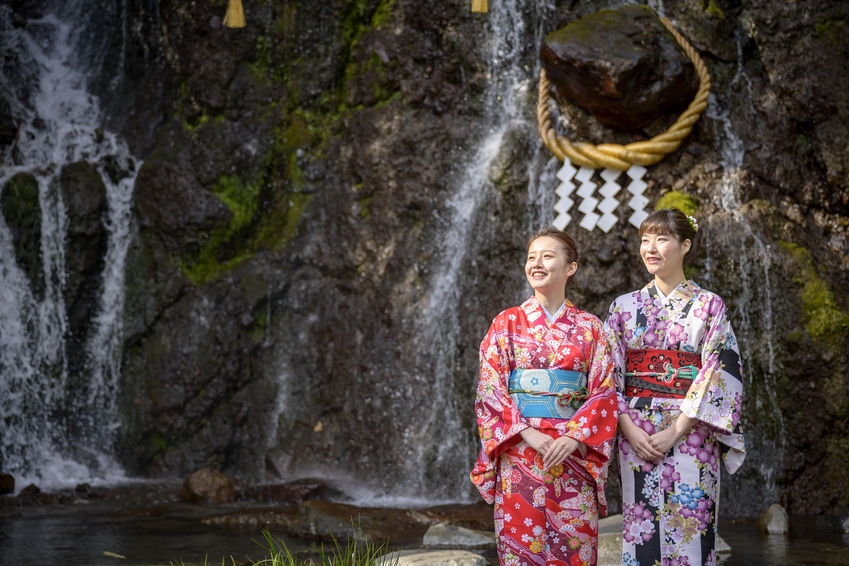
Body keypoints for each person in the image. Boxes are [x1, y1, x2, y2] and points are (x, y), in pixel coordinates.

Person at [604, 209, 746, 566]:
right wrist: (627, 427)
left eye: (661, 239)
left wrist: (676, 431)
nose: (650, 248)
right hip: (636, 433)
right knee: (641, 532)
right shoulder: (623, 308)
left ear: (685, 245)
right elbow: (606, 376)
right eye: (645, 239)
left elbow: (719, 371)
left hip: (692, 433)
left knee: (692, 531)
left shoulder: (709, 306)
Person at [471, 227, 618, 566]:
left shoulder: (591, 328)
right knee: (521, 551)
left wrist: (575, 435)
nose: (536, 263)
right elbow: (490, 388)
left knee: (574, 552)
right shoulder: (505, 323)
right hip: (521, 453)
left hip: (573, 455)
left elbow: (604, 391)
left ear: (571, 267)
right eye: (531, 257)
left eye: (547, 256)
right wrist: (528, 433)